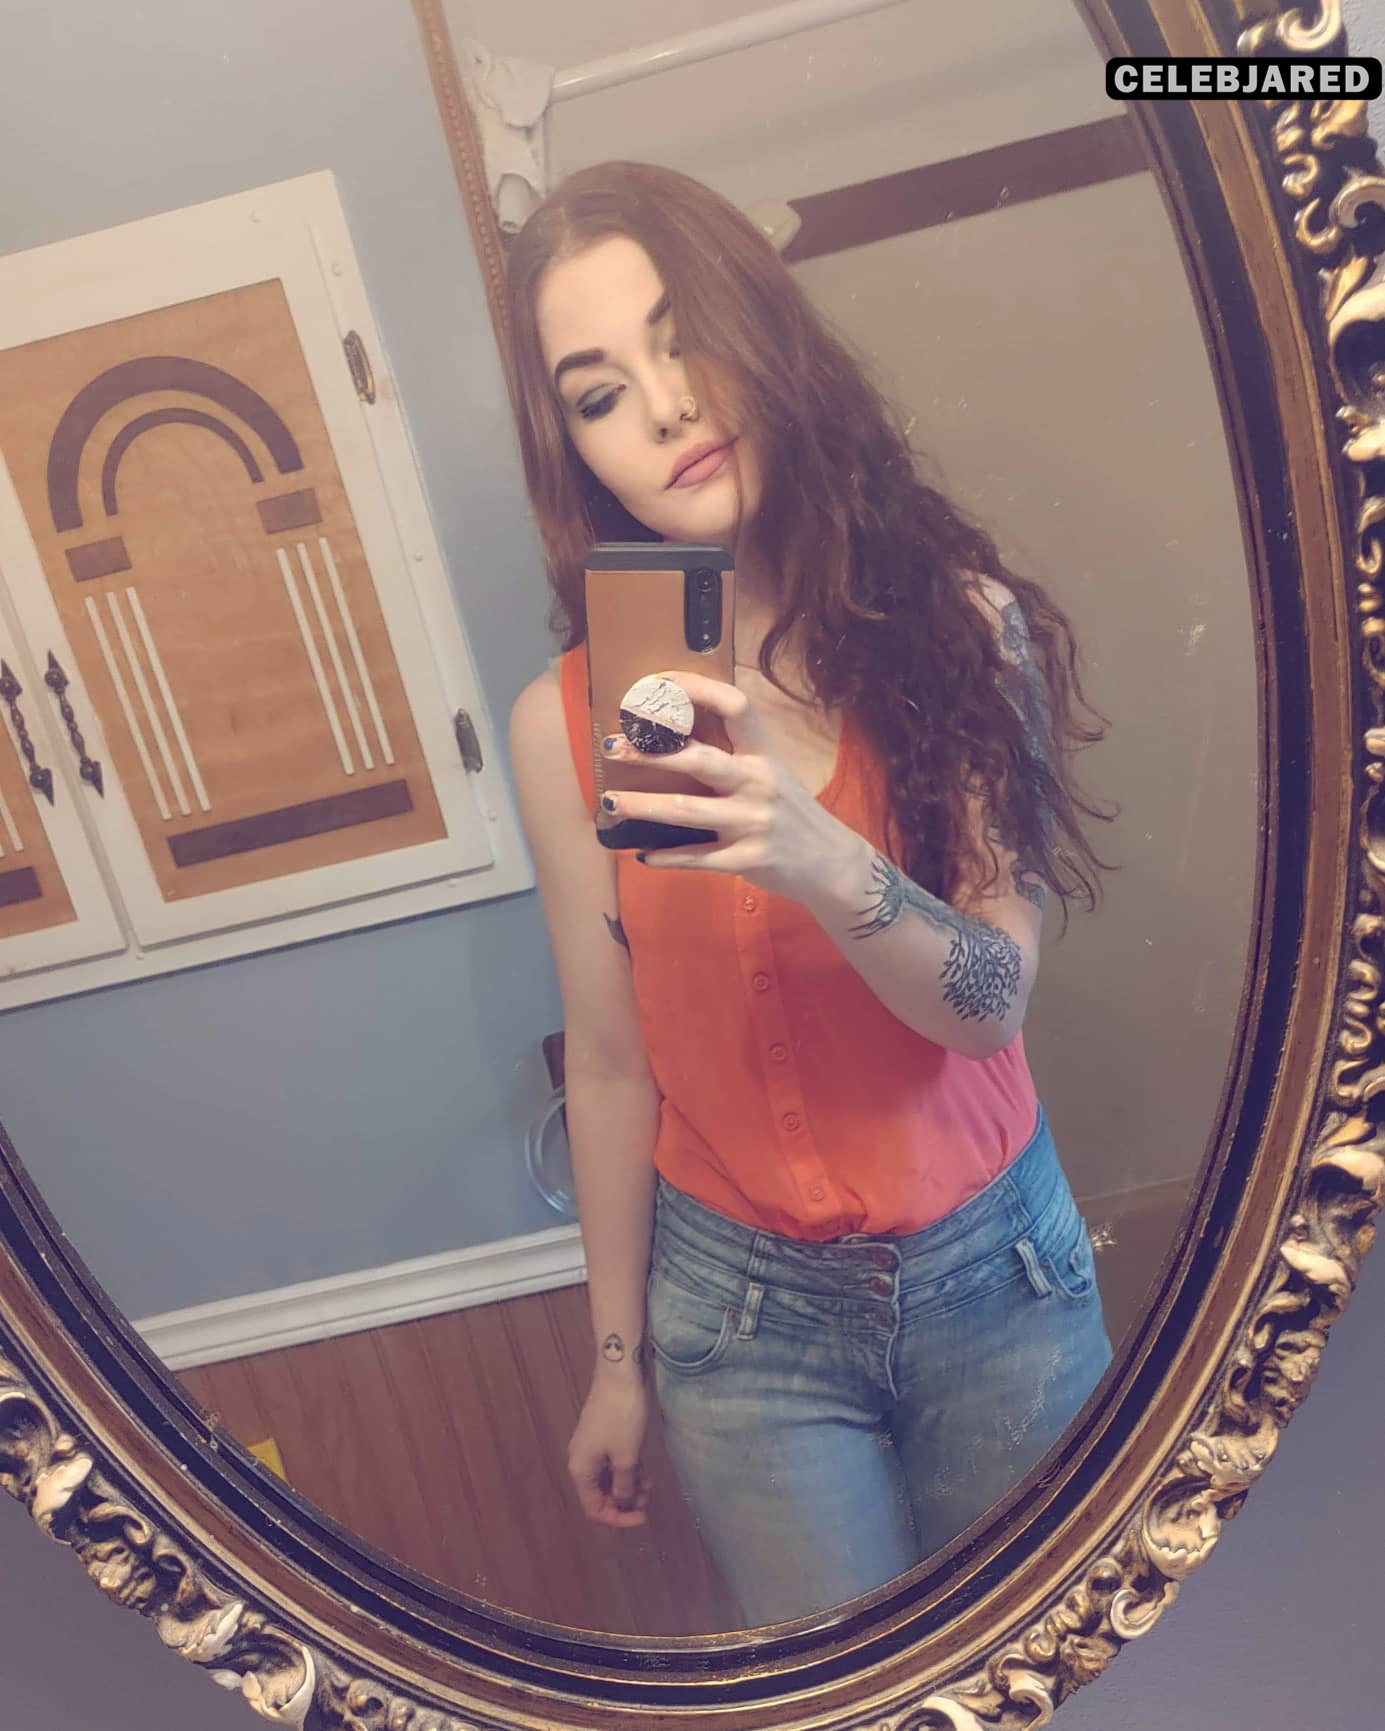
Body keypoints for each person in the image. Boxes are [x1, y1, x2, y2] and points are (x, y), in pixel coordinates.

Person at [505, 161, 1112, 1628]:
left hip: (996, 1282)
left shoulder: (956, 631)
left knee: (1053, 1664)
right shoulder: (567, 721)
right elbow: (610, 1061)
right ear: (576, 455)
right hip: (738, 1325)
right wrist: (613, 1362)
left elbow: (989, 1005)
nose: (664, 410)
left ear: (760, 327)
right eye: (599, 394)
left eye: (681, 339)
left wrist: (816, 853)